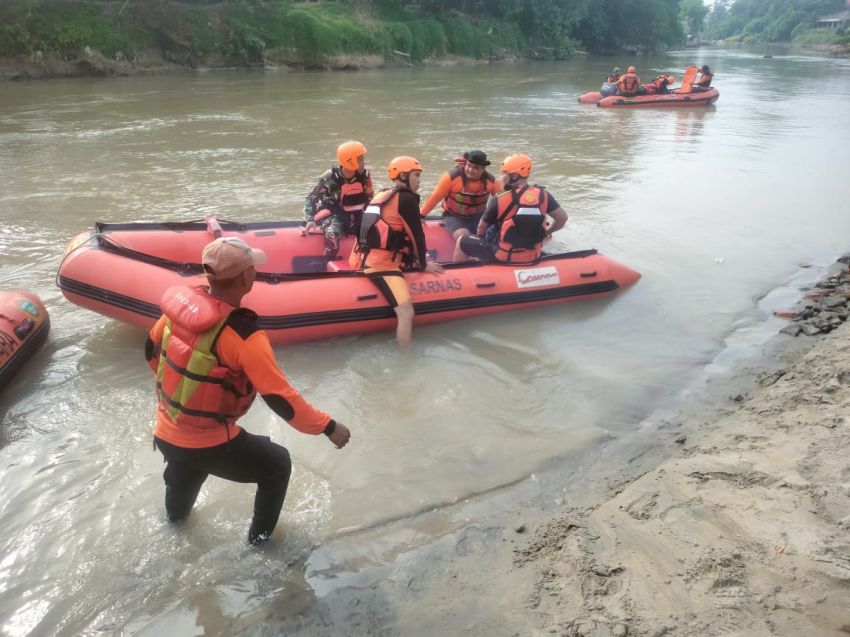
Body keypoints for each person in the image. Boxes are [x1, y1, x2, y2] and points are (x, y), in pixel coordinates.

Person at [145, 236, 351, 545]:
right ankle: (260, 545)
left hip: (166, 432)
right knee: (276, 464)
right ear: (245, 277)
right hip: (209, 443)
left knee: (184, 480)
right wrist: (329, 427)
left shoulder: (177, 313)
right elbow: (281, 399)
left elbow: (151, 353)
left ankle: (174, 530)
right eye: (253, 268)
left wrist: (185, 402)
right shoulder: (245, 336)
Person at [350, 156, 445, 346]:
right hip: (382, 265)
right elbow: (417, 235)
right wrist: (424, 264)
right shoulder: (406, 198)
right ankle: (404, 356)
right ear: (403, 175)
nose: (419, 180)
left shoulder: (383, 194)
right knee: (406, 312)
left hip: (364, 258)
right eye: (416, 175)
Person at [457, 154, 568, 265]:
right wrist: (547, 232)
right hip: (533, 256)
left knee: (461, 240)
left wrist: (481, 241)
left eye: (505, 174)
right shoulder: (544, 195)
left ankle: (458, 274)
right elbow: (562, 219)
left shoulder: (500, 198)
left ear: (514, 175)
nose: (503, 177)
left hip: (502, 255)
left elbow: (481, 227)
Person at [304, 140, 374, 260]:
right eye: (361, 159)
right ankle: (328, 263)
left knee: (377, 234)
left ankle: (366, 262)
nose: (364, 163)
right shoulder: (330, 177)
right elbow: (312, 198)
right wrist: (310, 219)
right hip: (336, 214)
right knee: (332, 234)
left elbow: (370, 197)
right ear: (350, 161)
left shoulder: (365, 175)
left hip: (358, 215)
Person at [419, 149, 500, 249]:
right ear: (465, 163)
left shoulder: (491, 182)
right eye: (469, 165)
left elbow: (503, 202)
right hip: (454, 217)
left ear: (483, 169)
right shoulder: (451, 177)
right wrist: (421, 215)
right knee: (464, 238)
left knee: (495, 234)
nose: (470, 170)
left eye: (475, 168)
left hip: (479, 218)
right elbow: (435, 197)